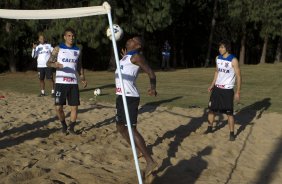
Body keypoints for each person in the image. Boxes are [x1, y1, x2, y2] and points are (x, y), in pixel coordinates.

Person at [115, 36, 158, 178]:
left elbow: (151, 73)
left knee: (131, 128)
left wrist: (152, 88)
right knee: (120, 127)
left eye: (133, 40)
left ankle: (150, 161)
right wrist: (125, 57)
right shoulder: (126, 57)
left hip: (129, 97)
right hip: (121, 96)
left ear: (138, 45)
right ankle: (138, 150)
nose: (129, 40)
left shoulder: (137, 57)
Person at [47, 28, 87, 135]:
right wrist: (54, 64)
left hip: (73, 83)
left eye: (73, 36)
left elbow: (79, 66)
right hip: (60, 83)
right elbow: (48, 63)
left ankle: (72, 128)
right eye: (69, 36)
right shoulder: (58, 48)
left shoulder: (77, 50)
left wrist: (82, 78)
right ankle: (64, 125)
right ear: (65, 37)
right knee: (58, 107)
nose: (71, 38)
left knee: (74, 107)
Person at [205, 39, 241, 141]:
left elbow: (238, 76)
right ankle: (209, 128)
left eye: (222, 47)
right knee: (211, 110)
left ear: (227, 48)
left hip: (227, 90)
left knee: (229, 113)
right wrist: (212, 85)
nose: (220, 49)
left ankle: (232, 133)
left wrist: (238, 92)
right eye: (219, 47)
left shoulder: (233, 60)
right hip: (217, 89)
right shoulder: (218, 58)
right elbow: (216, 71)